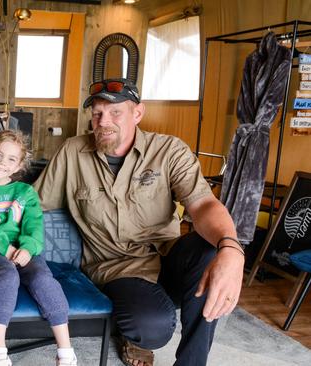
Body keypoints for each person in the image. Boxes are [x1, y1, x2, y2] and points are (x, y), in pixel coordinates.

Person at [34, 78, 245, 366]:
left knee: (209, 249)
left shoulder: (169, 151)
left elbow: (204, 204)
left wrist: (232, 248)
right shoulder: (73, 153)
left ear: (138, 113)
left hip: (169, 260)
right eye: (97, 113)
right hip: (118, 268)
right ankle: (133, 334)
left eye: (115, 112)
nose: (103, 121)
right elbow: (31, 203)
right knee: (152, 327)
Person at [0, 130, 78, 366]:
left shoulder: (25, 192)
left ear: (19, 165)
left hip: (25, 251)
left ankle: (65, 351)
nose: (3, 162)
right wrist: (6, 249)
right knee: (7, 275)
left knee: (43, 278)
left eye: (11, 159)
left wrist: (27, 248)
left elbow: (34, 225)